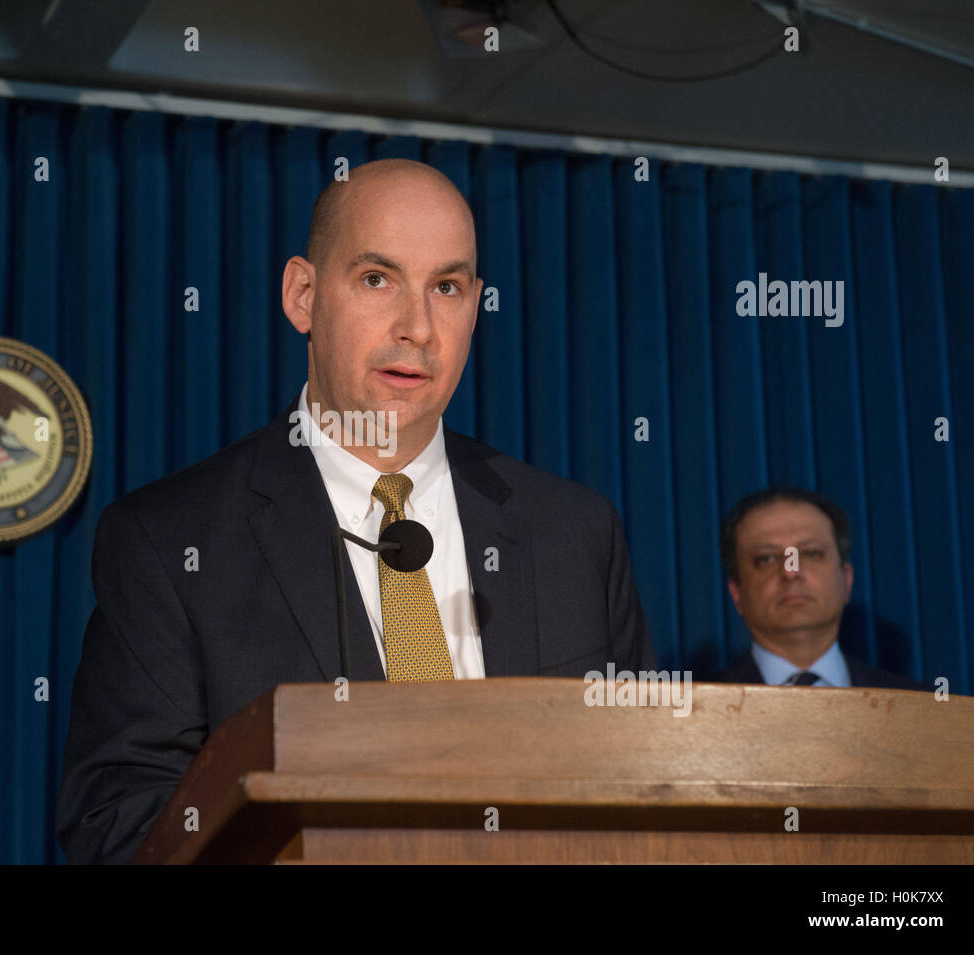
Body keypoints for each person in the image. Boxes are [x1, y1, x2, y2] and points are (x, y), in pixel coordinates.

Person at [57, 158, 655, 864]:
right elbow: (121, 824)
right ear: (303, 295)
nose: (418, 327)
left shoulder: (576, 531)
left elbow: (649, 788)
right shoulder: (168, 542)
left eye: (448, 287)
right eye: (378, 279)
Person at [711, 485, 927, 691]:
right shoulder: (692, 712)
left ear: (846, 579)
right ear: (736, 593)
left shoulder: (923, 710)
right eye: (767, 558)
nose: (790, 572)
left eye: (811, 553)